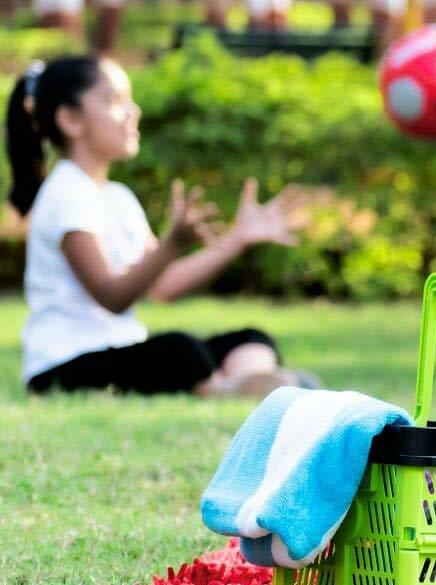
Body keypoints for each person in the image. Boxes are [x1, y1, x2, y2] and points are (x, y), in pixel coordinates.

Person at [6, 55, 314, 397]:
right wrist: (172, 245)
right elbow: (112, 296)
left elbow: (163, 285)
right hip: (65, 366)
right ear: (70, 119)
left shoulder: (118, 197)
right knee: (179, 350)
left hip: (119, 349)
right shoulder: (64, 193)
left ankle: (248, 380)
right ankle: (229, 386)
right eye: (114, 101)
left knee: (251, 338)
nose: (132, 112)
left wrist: (236, 239)